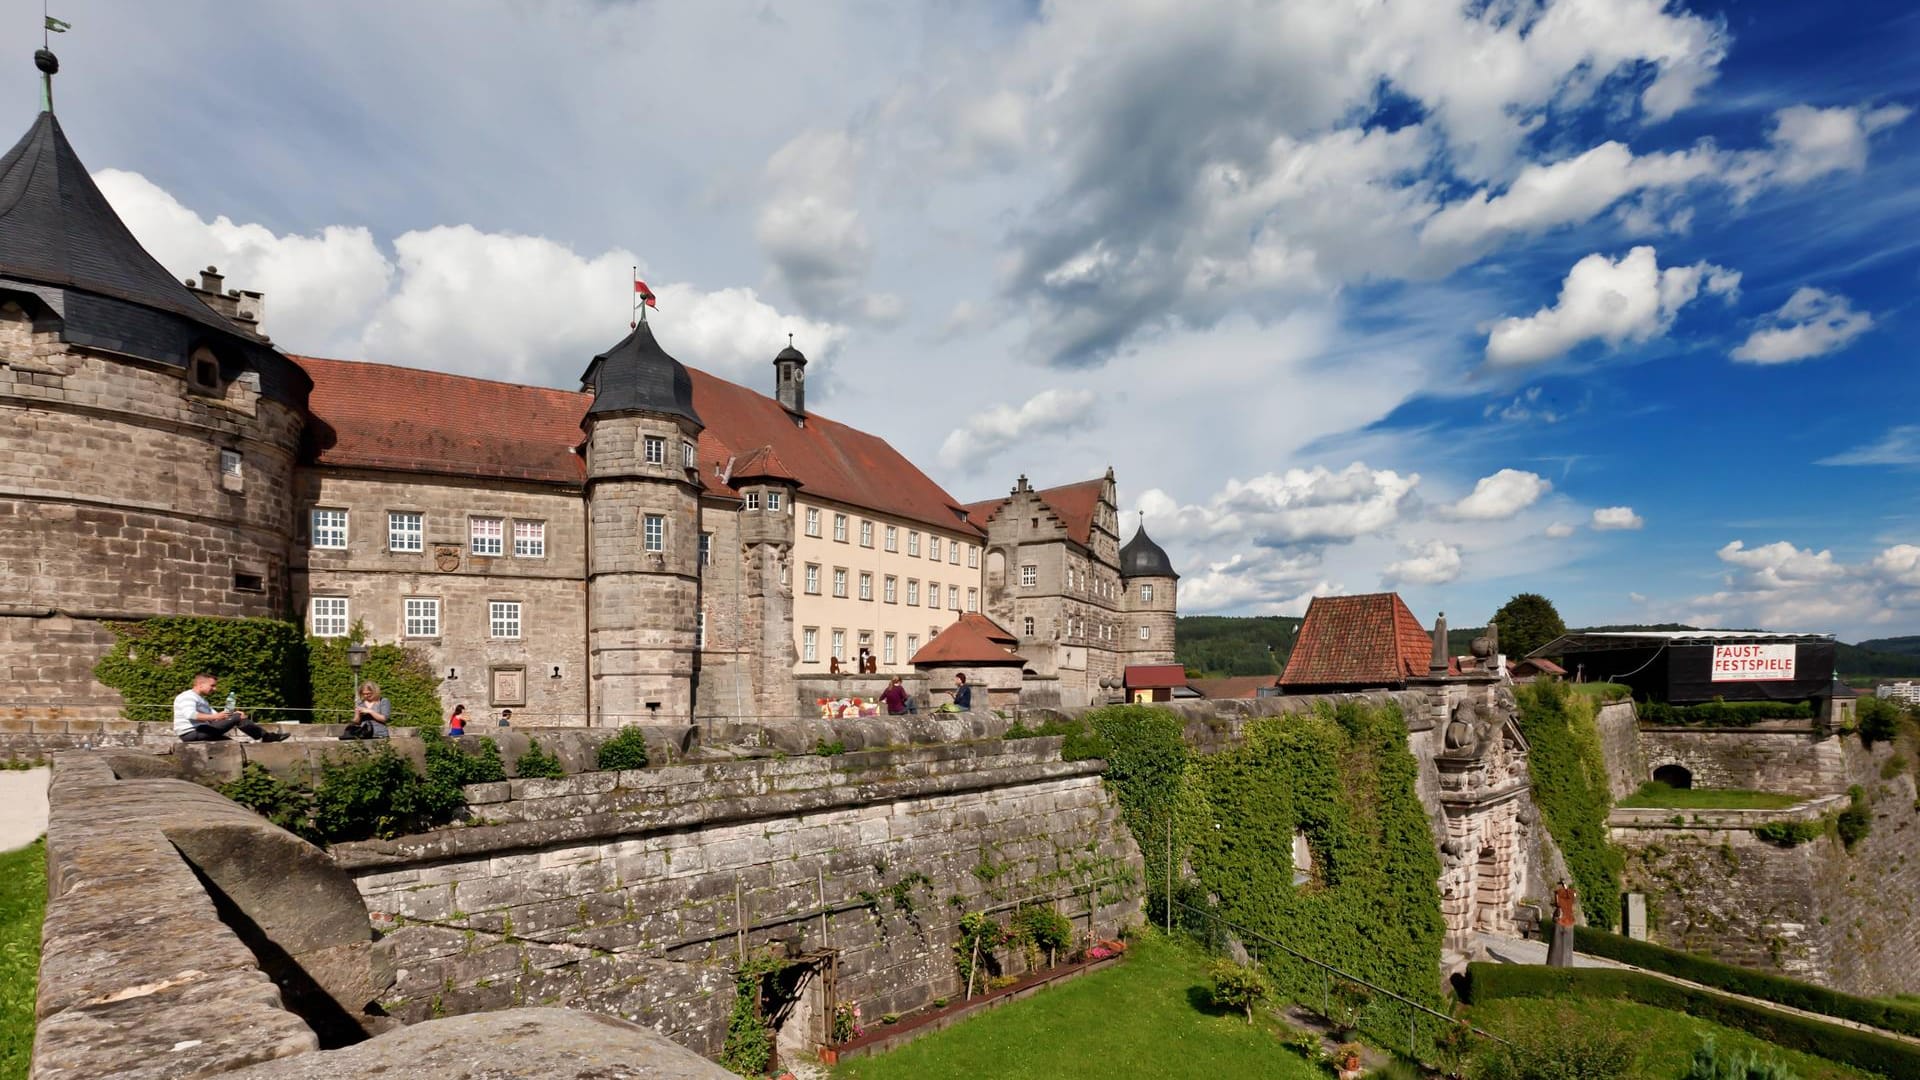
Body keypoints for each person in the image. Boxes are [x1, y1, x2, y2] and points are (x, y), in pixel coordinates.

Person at [173, 672, 285, 743]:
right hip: (192, 733)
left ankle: (265, 738)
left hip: (201, 731)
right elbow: (190, 714)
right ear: (200, 684)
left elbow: (218, 718)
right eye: (212, 686)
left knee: (231, 743)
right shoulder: (187, 696)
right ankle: (266, 736)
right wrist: (230, 716)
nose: (215, 689)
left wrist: (233, 714)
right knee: (236, 717)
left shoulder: (202, 700)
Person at [1546, 879, 1577, 967]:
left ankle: (1555, 965)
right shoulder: (1571, 897)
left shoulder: (1560, 898)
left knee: (1557, 949)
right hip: (1569, 922)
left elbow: (1558, 903)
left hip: (1561, 922)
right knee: (1566, 950)